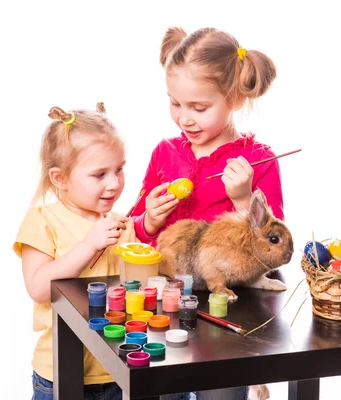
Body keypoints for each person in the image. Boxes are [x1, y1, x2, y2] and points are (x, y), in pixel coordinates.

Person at [132, 26, 282, 400]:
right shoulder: (165, 153)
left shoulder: (258, 161)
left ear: (233, 98)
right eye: (175, 103)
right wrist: (148, 219)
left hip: (230, 313)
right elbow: (136, 235)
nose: (184, 118)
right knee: (163, 391)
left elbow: (273, 247)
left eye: (199, 108)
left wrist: (245, 201)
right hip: (165, 309)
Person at [13, 103, 134, 400]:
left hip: (121, 368)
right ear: (60, 178)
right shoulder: (43, 220)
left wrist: (150, 227)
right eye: (99, 174)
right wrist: (89, 244)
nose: (114, 183)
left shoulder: (122, 223)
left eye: (119, 169)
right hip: (61, 374)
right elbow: (40, 288)